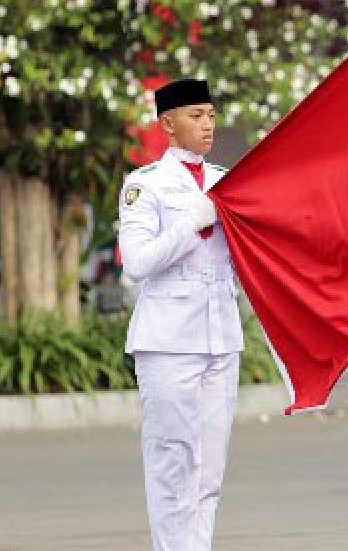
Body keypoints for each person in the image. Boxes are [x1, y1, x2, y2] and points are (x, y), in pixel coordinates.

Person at [118, 78, 244, 551]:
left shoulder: (226, 181)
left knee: (209, 470)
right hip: (168, 341)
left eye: (211, 115)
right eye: (196, 116)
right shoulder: (144, 185)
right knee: (173, 465)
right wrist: (193, 221)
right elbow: (137, 263)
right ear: (167, 123)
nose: (207, 125)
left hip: (221, 337)